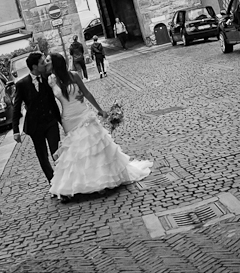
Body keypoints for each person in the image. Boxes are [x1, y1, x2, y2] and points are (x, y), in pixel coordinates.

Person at [47, 53, 152, 199]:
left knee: (93, 146)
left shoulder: (74, 75)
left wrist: (100, 110)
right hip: (68, 119)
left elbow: (87, 93)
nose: (46, 63)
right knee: (77, 151)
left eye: (48, 61)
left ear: (56, 63)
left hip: (83, 113)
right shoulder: (51, 80)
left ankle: (101, 181)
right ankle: (81, 183)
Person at [12, 52, 61, 182]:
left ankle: (63, 181)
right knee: (42, 156)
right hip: (35, 126)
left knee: (57, 152)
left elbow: (53, 103)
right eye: (42, 63)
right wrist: (15, 130)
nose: (45, 64)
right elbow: (16, 107)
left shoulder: (48, 79)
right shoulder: (22, 84)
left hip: (50, 122)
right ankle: (52, 181)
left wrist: (61, 121)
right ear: (34, 66)